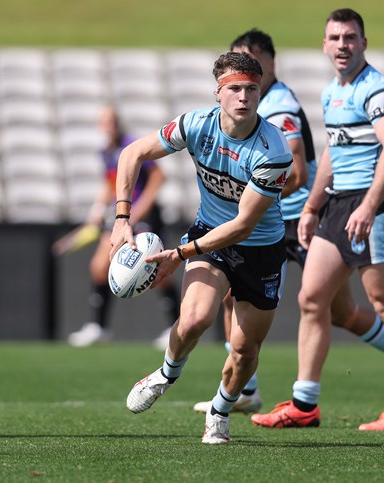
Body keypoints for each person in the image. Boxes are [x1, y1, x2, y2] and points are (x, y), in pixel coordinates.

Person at [194, 29, 384, 420]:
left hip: (285, 220)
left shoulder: (279, 105)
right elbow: (327, 151)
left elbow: (294, 170)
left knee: (351, 308)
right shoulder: (300, 96)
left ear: (268, 62)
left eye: (250, 62)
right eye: (236, 65)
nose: (243, 75)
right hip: (297, 215)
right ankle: (260, 392)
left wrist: (269, 204)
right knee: (301, 303)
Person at [250, 9, 384, 431]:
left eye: (350, 37)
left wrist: (370, 206)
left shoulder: (379, 90)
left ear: (364, 43)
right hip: (335, 206)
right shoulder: (332, 92)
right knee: (312, 299)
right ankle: (304, 404)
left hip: (374, 206)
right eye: (334, 38)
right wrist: (312, 207)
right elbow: (332, 152)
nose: (342, 45)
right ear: (324, 45)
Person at [112, 51, 293, 444]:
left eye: (251, 89)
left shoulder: (273, 150)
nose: (243, 97)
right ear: (218, 93)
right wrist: (122, 217)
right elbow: (132, 153)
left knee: (244, 351)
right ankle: (165, 374)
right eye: (234, 89)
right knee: (195, 319)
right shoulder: (195, 125)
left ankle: (220, 410)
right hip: (209, 236)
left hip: (260, 249)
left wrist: (179, 255)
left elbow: (244, 224)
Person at [53, 106, 179, 349]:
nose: (108, 126)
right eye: (104, 122)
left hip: (144, 215)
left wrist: (140, 208)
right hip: (121, 214)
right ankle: (99, 327)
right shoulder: (106, 151)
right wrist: (98, 208)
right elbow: (110, 183)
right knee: (99, 267)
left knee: (157, 271)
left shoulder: (131, 144)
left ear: (118, 123)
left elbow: (157, 178)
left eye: (111, 122)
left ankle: (175, 326)